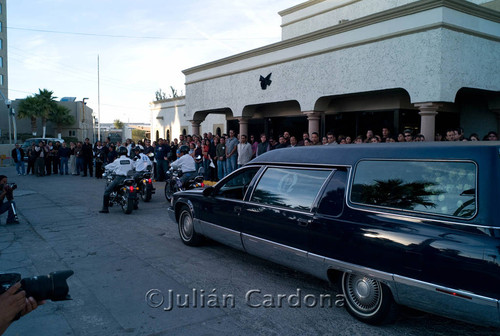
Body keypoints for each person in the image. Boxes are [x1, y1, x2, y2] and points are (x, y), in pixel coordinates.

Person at [99, 146, 135, 213]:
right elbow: (134, 166)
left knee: (107, 191)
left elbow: (109, 166)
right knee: (134, 189)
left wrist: (104, 166)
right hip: (129, 178)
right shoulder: (130, 160)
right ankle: (135, 205)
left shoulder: (117, 161)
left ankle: (105, 208)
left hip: (119, 178)